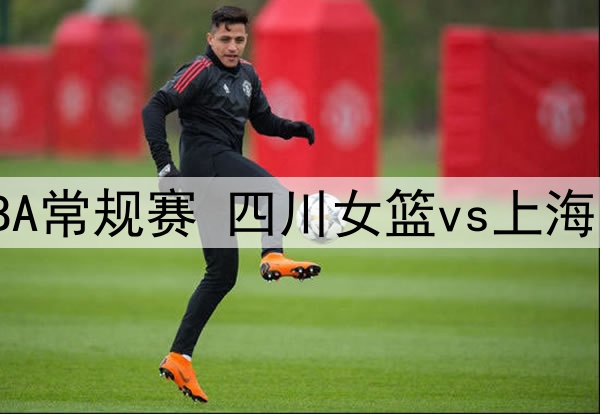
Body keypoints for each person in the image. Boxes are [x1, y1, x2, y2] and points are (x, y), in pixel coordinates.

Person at [141, 5, 320, 403]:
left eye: (239, 39)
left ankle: (179, 357)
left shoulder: (248, 75)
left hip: (217, 175)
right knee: (274, 193)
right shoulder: (200, 70)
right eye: (225, 39)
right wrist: (165, 166)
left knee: (221, 275)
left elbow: (263, 120)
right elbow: (153, 107)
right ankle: (272, 255)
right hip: (204, 164)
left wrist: (292, 128)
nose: (233, 46)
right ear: (211, 39)